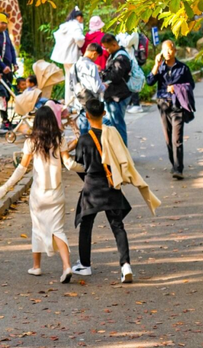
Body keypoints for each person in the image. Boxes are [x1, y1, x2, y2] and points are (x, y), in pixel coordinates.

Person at [0, 105, 81, 282]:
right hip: (56, 193)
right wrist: (88, 168)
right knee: (58, 230)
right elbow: (70, 164)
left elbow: (21, 169)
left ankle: (37, 266)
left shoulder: (31, 142)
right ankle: (66, 266)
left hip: (38, 195)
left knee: (37, 227)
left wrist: (3, 189)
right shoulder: (59, 139)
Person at [72, 98, 134, 283]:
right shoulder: (113, 136)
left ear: (87, 115)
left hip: (92, 187)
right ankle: (125, 265)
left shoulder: (83, 140)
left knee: (86, 224)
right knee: (117, 226)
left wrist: (88, 179)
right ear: (104, 114)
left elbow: (80, 165)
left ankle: (85, 265)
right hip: (110, 184)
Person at [147, 39, 195, 179]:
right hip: (163, 104)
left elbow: (190, 85)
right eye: (165, 50)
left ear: (175, 51)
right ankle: (173, 164)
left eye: (170, 49)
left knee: (177, 138)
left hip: (177, 105)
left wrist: (176, 88)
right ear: (162, 51)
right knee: (168, 139)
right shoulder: (160, 67)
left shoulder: (183, 68)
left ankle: (178, 169)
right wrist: (156, 65)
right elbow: (150, 81)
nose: (168, 53)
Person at [100, 33, 132, 145]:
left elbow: (116, 76)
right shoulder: (114, 55)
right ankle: (118, 152)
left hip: (119, 96)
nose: (106, 50)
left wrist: (102, 73)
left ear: (114, 44)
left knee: (118, 126)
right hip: (113, 95)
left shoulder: (121, 58)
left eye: (107, 47)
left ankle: (123, 153)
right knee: (112, 124)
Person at [0, 18, 19, 130]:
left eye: (6, 23)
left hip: (8, 70)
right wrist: (2, 66)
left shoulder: (5, 34)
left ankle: (6, 119)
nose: (5, 25)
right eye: (2, 22)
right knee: (0, 96)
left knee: (7, 95)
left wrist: (14, 63)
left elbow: (11, 49)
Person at [51, 6, 85, 103]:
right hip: (73, 56)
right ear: (78, 17)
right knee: (75, 80)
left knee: (69, 79)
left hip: (65, 57)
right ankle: (76, 102)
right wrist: (80, 45)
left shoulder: (65, 25)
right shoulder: (75, 26)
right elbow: (79, 39)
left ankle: (69, 101)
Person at [70, 43, 105, 134]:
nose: (96, 58)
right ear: (94, 53)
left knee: (83, 129)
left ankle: (82, 147)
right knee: (93, 130)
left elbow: (71, 86)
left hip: (80, 102)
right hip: (91, 103)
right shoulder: (91, 66)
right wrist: (104, 86)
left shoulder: (74, 66)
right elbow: (97, 87)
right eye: (97, 56)